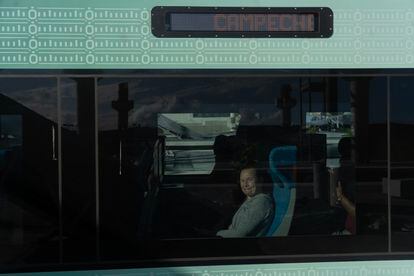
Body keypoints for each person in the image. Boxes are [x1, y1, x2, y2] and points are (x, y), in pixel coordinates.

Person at [216, 165, 274, 237]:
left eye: (249, 179)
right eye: (242, 181)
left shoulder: (261, 202)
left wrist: (217, 234)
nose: (245, 184)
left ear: (260, 180)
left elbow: (239, 234)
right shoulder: (251, 199)